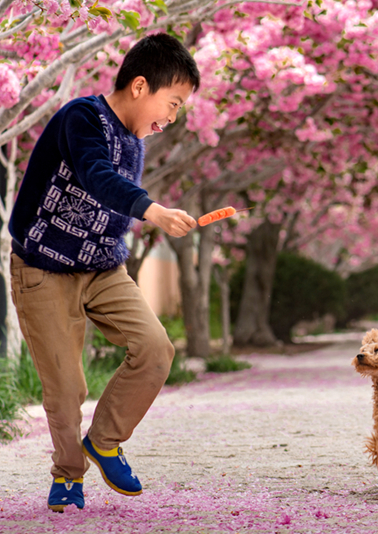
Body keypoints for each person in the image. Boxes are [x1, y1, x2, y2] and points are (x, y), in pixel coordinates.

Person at [8, 34, 200, 512]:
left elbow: (110, 202)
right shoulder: (82, 118)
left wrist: (142, 221)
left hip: (103, 268)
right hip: (43, 267)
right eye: (172, 102)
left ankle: (105, 440)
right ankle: (68, 476)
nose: (173, 117)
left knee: (156, 348)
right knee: (66, 386)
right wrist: (152, 210)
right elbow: (97, 176)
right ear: (140, 86)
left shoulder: (136, 142)